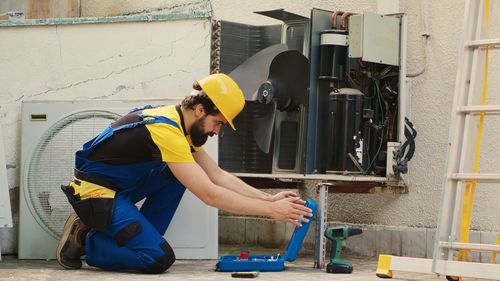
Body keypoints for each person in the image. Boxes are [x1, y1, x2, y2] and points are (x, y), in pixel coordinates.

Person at [56, 73, 313, 273]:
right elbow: (210, 195)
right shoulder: (166, 130)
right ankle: (87, 238)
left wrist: (268, 200)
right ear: (200, 109)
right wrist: (270, 213)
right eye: (218, 123)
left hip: (121, 187)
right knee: (158, 258)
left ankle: (130, 235)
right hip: (98, 192)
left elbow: (216, 175)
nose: (217, 132)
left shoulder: (181, 126)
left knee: (177, 176)